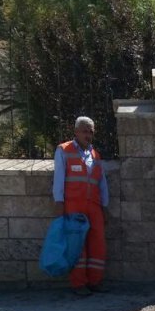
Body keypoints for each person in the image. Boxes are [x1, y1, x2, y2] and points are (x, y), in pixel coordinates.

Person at [53, 116, 109, 296]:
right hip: (74, 206)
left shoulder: (95, 155)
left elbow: (102, 183)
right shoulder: (64, 150)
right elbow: (59, 179)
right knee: (77, 245)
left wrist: (104, 205)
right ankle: (79, 284)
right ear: (76, 131)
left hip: (94, 206)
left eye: (91, 131)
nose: (88, 134)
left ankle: (95, 281)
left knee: (97, 243)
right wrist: (59, 202)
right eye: (85, 130)